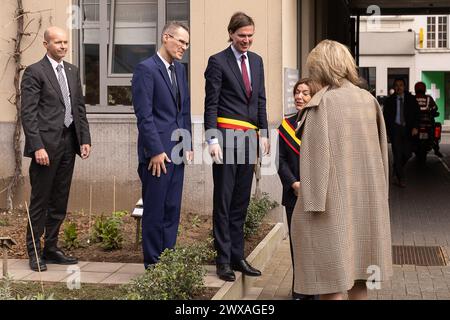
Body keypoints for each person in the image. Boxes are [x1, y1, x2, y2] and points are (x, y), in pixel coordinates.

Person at [290, 40, 393, 300]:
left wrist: (308, 203)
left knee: (331, 281)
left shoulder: (321, 104)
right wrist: (382, 196)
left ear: (320, 68)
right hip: (367, 204)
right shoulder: (368, 100)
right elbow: (383, 155)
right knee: (360, 278)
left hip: (330, 209)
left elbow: (315, 162)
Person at [204, 12, 269, 282]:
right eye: (242, 35)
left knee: (241, 200)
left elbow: (261, 99)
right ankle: (223, 260)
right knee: (224, 199)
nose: (247, 40)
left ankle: (237, 255)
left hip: (249, 139)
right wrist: (212, 139)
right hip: (226, 137)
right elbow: (211, 103)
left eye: (250, 36)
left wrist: (264, 133)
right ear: (231, 33)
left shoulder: (257, 61)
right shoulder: (217, 62)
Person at [21, 26, 91, 272]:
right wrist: (37, 146)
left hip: (68, 144)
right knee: (41, 201)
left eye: (65, 42)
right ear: (46, 44)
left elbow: (78, 108)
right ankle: (34, 252)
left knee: (59, 200)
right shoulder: (34, 72)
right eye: (58, 42)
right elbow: (28, 114)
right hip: (45, 148)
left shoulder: (72, 71)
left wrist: (84, 139)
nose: (63, 46)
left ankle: (51, 248)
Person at [132, 22, 192, 269]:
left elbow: (184, 110)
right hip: (156, 155)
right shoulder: (145, 69)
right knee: (155, 211)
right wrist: (155, 151)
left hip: (177, 152)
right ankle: (153, 264)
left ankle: (168, 260)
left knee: (172, 209)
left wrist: (187, 143)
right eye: (181, 42)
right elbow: (144, 116)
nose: (184, 48)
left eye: (187, 44)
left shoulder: (179, 70)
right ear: (166, 37)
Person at [276, 78, 319, 300]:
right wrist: (293, 183)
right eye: (297, 92)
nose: (299, 97)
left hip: (318, 196)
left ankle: (317, 289)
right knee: (297, 244)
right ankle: (300, 289)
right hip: (294, 195)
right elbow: (281, 161)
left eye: (305, 93)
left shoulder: (321, 123)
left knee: (317, 243)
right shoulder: (286, 125)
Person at [383, 78, 420, 187]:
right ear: (394, 87)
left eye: (401, 85)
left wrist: (415, 127)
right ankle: (401, 178)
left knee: (408, 153)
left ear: (404, 87)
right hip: (395, 130)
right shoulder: (389, 101)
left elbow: (417, 114)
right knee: (397, 154)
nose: (399, 87)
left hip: (408, 129)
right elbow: (386, 118)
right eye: (396, 85)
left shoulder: (411, 99)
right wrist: (387, 134)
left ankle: (396, 169)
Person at [414, 81, 443, 158]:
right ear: (424, 89)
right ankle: (436, 149)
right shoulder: (428, 98)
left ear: (415, 89)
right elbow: (435, 108)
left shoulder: (413, 98)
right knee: (437, 126)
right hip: (428, 123)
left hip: (416, 124)